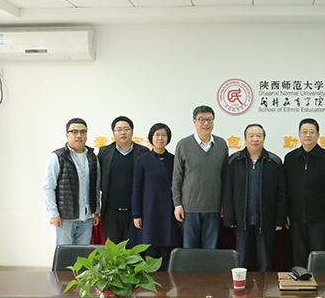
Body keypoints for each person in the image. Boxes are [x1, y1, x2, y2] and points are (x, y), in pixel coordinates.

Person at [223, 124, 286, 271]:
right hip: (242, 221)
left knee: (266, 262)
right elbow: (228, 191)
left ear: (264, 139)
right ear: (245, 139)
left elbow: (281, 193)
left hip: (266, 221)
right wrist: (230, 217)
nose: (255, 139)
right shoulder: (234, 161)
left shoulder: (274, 161)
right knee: (242, 261)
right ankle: (242, 286)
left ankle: (265, 287)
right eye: (251, 136)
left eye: (258, 135)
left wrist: (280, 219)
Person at [284, 118, 325, 267]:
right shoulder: (290, 158)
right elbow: (285, 189)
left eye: (311, 132)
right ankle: (300, 281)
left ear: (318, 135)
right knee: (299, 256)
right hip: (295, 218)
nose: (308, 135)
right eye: (304, 132)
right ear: (299, 135)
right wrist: (285, 213)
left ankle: (319, 281)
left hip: (320, 219)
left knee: (318, 257)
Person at [172, 105, 229, 249]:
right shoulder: (183, 144)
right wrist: (177, 205)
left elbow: (225, 177)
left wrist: (224, 204)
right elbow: (177, 177)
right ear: (194, 121)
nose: (206, 123)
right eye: (201, 119)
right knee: (189, 251)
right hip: (189, 209)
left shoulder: (221, 144)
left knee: (210, 251)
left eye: (210, 119)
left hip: (214, 209)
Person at [43, 117, 100, 246]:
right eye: (74, 132)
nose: (79, 135)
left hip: (87, 218)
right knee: (65, 253)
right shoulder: (58, 156)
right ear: (67, 135)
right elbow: (49, 187)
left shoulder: (92, 157)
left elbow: (95, 186)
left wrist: (95, 211)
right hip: (65, 218)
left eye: (83, 132)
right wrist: (53, 213)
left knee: (84, 255)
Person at [132, 123, 180, 270]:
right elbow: (137, 188)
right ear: (151, 137)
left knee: (167, 250)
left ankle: (167, 283)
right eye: (157, 135)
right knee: (151, 250)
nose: (160, 138)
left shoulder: (174, 160)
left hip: (169, 212)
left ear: (168, 138)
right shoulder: (142, 160)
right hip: (149, 212)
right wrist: (136, 214)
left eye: (164, 135)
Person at [98, 116, 148, 243]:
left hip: (134, 212)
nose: (123, 132)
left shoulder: (143, 152)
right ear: (113, 133)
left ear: (132, 131)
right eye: (119, 129)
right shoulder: (104, 152)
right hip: (110, 212)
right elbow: (98, 180)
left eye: (126, 129)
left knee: (133, 250)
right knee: (112, 251)